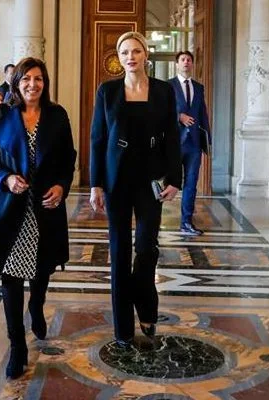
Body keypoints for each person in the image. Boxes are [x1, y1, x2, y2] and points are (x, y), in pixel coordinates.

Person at [0, 57, 77, 379]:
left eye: (39, 79)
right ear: (17, 83)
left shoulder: (57, 116)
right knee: (12, 275)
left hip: (45, 208)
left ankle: (37, 304)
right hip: (10, 208)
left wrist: (62, 185)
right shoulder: (2, 115)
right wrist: (4, 178)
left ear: (45, 83)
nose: (33, 85)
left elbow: (67, 158)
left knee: (41, 268)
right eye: (27, 79)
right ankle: (17, 345)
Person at [89, 31, 181, 348]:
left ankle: (147, 306)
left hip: (151, 181)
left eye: (136, 51)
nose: (131, 57)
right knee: (119, 252)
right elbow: (97, 139)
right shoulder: (107, 91)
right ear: (119, 57)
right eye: (125, 52)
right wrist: (96, 184)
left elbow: (172, 135)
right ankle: (123, 328)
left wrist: (175, 178)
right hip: (116, 181)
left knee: (145, 247)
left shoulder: (163, 91)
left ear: (146, 55)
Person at [168, 50, 211, 236]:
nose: (186, 62)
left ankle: (186, 222)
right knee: (168, 183)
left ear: (192, 64)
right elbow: (162, 112)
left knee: (191, 184)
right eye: (183, 60)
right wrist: (179, 116)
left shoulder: (199, 88)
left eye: (189, 60)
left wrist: (206, 140)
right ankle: (151, 222)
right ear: (177, 64)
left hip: (193, 144)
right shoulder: (168, 86)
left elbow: (203, 114)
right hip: (174, 143)